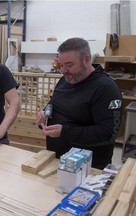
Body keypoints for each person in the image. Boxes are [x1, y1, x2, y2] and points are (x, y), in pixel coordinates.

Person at [36, 37, 122, 170]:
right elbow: (53, 104)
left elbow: (108, 134)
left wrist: (65, 132)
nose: (63, 70)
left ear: (86, 59)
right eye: (61, 65)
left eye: (69, 65)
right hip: (56, 160)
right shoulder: (66, 80)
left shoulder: (106, 88)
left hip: (88, 168)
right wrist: (45, 113)